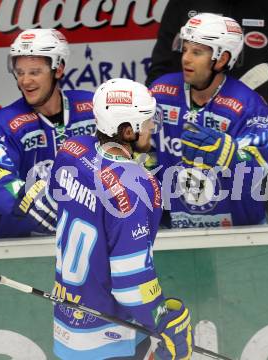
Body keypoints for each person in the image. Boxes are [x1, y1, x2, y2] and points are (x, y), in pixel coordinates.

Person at [48, 78, 193, 359]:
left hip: (67, 326)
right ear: (128, 131)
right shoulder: (134, 186)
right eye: (148, 120)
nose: (153, 127)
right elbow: (130, 284)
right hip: (110, 338)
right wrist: (163, 319)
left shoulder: (71, 151)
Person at [149, 13, 268, 228]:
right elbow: (144, 149)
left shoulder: (248, 105)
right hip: (178, 227)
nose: (186, 58)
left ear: (222, 59)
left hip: (239, 232)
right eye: (185, 48)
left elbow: (261, 167)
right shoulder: (161, 92)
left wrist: (229, 153)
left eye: (196, 52)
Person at [0, 28, 96, 238]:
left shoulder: (92, 108)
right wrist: (28, 196)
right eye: (20, 72)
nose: (25, 81)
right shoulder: (3, 123)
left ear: (58, 70)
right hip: (23, 248)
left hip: (89, 243)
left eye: (35, 72)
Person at [146, 0, 268, 131]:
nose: (187, 57)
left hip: (246, 126)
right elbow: (160, 69)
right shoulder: (183, 3)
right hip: (186, 124)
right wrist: (154, 117)